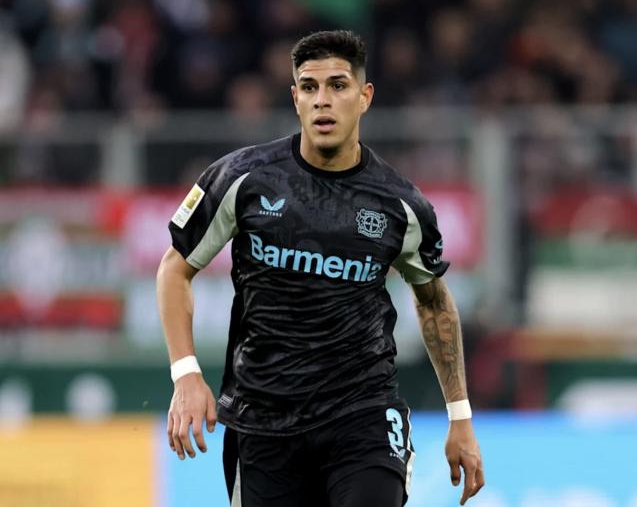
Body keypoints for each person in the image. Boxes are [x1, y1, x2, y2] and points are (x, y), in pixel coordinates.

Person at [156, 30, 484, 507]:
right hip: (263, 420)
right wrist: (185, 374)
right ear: (295, 98)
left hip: (363, 414)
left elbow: (433, 302)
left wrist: (460, 416)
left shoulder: (400, 205)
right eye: (309, 87)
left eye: (338, 85)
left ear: (365, 96)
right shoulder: (243, 178)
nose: (322, 100)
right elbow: (175, 268)